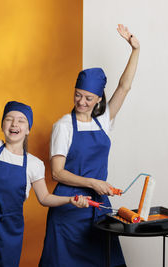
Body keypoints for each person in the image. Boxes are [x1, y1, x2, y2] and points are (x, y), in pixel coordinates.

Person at [0, 76, 89, 267]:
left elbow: (45, 198)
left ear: (28, 129)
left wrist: (69, 200)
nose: (15, 124)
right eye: (9, 119)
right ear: (2, 125)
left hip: (10, 231)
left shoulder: (34, 164)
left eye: (21, 121)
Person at [39, 24, 140, 267]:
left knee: (108, 261)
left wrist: (135, 49)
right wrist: (93, 183)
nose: (81, 102)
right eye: (77, 95)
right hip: (68, 210)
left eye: (88, 98)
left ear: (98, 99)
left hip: (99, 209)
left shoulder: (103, 122)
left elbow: (124, 87)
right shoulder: (63, 126)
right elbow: (57, 172)